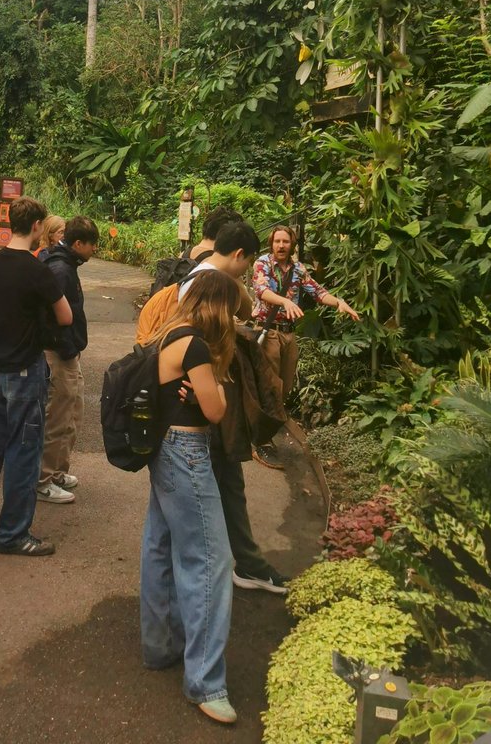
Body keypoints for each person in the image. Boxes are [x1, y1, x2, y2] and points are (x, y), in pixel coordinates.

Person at [141, 269, 240, 725]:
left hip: (164, 450)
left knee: (161, 548)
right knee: (210, 561)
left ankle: (160, 646)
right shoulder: (198, 345)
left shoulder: (168, 332)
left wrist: (203, 387)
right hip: (188, 453)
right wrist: (215, 385)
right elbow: (216, 410)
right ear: (219, 306)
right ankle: (205, 681)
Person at [179, 219, 289, 596]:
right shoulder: (203, 285)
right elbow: (197, 348)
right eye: (248, 260)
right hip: (206, 405)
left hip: (210, 400)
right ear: (239, 254)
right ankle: (224, 570)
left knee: (227, 485)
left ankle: (242, 562)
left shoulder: (210, 280)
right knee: (218, 486)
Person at [0, 197, 71, 557]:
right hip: (24, 370)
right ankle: (12, 534)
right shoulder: (36, 269)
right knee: (24, 452)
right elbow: (66, 316)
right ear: (38, 226)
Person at [251, 224, 359, 468]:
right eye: (277, 241)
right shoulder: (263, 263)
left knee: (285, 387)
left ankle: (263, 428)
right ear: (271, 243)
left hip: (289, 335)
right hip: (268, 331)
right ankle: (262, 441)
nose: (281, 246)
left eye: (285, 242)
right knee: (270, 387)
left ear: (292, 245)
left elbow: (318, 292)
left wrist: (338, 302)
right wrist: (284, 302)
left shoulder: (299, 269)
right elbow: (261, 290)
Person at [36, 215, 98, 504]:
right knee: (57, 417)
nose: (94, 250)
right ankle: (43, 480)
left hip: (67, 351)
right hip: (59, 353)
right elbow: (49, 318)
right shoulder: (60, 269)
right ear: (77, 243)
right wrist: (67, 347)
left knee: (73, 414)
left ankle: (58, 471)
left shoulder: (66, 264)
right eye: (91, 245)